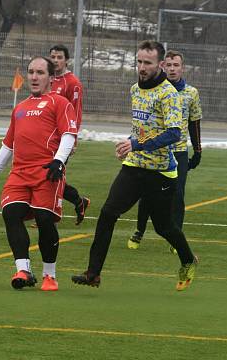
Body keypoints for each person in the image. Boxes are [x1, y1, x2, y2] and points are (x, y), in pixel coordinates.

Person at [71, 40, 198, 291]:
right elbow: (141, 128)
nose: (141, 67)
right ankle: (93, 273)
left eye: (147, 63)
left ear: (160, 64)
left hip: (161, 172)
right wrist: (129, 144)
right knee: (108, 213)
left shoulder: (168, 94)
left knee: (164, 227)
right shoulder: (134, 89)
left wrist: (136, 144)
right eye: (139, 61)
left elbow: (174, 134)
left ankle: (188, 259)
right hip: (134, 166)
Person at [0, 56, 78, 292]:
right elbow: (8, 145)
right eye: (31, 72)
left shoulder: (59, 103)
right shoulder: (19, 108)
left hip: (46, 172)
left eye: (40, 72)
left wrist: (58, 162)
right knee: (11, 213)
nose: (34, 77)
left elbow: (69, 134)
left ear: (51, 77)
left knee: (44, 220)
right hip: (19, 173)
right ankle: (23, 270)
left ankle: (50, 275)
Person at [128, 49, 202, 250]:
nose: (172, 69)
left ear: (182, 68)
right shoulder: (154, 90)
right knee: (147, 192)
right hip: (153, 149)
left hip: (178, 151)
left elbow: (194, 122)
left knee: (177, 194)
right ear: (162, 66)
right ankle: (139, 231)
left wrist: (198, 150)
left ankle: (176, 236)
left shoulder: (191, 93)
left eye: (175, 65)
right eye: (168, 65)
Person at [49, 44, 91, 225]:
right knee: (46, 174)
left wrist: (72, 139)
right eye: (53, 57)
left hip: (62, 138)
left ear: (67, 60)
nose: (55, 60)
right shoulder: (47, 79)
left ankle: (50, 213)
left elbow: (76, 112)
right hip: (46, 137)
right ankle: (79, 202)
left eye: (59, 57)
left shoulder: (72, 83)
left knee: (52, 174)